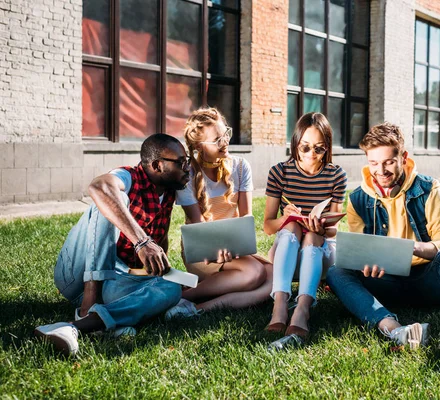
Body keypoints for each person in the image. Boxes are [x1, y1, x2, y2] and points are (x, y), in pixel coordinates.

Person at [34, 133, 208, 355]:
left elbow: (156, 248)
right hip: (76, 273)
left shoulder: (169, 194)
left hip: (116, 278)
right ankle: (89, 304)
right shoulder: (128, 177)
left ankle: (82, 326)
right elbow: (100, 187)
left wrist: (169, 275)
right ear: (157, 165)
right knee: (109, 200)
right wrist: (142, 242)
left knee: (171, 288)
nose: (188, 168)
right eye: (182, 162)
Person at [326, 122, 440, 354]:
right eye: (374, 163)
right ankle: (397, 330)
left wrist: (416, 248)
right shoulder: (358, 200)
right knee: (336, 272)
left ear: (403, 157)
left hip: (428, 281)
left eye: (388, 162)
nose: (381, 170)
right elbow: (359, 250)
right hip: (386, 283)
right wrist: (366, 266)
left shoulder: (429, 190)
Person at [164, 107, 273, 319]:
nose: (225, 143)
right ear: (198, 145)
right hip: (202, 252)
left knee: (272, 276)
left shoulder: (241, 166)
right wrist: (218, 248)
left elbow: (246, 218)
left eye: (225, 135)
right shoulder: (188, 175)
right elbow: (197, 226)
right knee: (255, 273)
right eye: (217, 140)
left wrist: (237, 246)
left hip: (235, 247)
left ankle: (195, 308)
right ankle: (186, 295)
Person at [263, 112, 347, 350]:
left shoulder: (336, 175)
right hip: (284, 248)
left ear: (327, 148)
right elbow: (268, 225)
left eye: (319, 149)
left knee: (312, 234)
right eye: (305, 148)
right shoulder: (279, 172)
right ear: (295, 144)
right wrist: (286, 218)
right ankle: (280, 303)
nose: (311, 155)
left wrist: (321, 227)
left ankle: (302, 309)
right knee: (291, 226)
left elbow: (334, 230)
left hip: (322, 251)